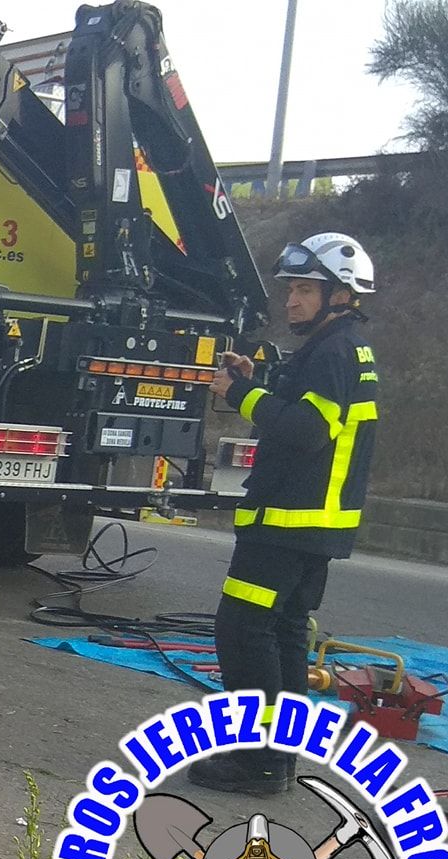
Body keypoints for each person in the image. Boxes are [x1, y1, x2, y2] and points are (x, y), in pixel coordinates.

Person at [190, 232, 379, 796]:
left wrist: (237, 394)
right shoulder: (340, 348)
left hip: (288, 524)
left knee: (244, 631)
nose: (291, 301)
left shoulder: (332, 352)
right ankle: (279, 761)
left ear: (340, 295)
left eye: (304, 290)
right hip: (313, 527)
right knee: (286, 635)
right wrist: (257, 378)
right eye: (290, 290)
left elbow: (304, 430)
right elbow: (307, 405)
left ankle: (256, 763)